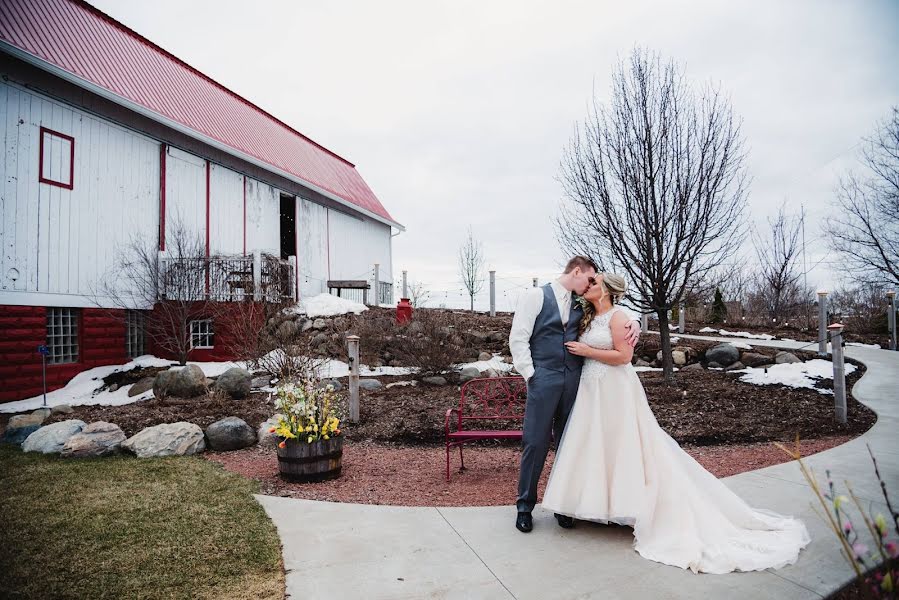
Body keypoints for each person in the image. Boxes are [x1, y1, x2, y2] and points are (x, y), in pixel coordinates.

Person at [541, 272, 810, 573]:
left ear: (607, 290)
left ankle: (633, 506)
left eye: (593, 283)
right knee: (594, 444)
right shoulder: (587, 316)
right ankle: (594, 506)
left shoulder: (619, 317)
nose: (587, 286)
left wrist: (590, 349)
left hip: (615, 388)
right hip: (592, 389)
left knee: (623, 444)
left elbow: (624, 357)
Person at [509, 256, 640, 533]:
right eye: (589, 278)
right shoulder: (536, 296)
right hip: (544, 378)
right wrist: (532, 374)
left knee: (572, 442)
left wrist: (635, 322)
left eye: (595, 282)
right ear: (577, 271)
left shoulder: (582, 302)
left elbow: (613, 311)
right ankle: (525, 507)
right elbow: (518, 338)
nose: (591, 284)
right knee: (536, 442)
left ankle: (564, 505)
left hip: (577, 381)